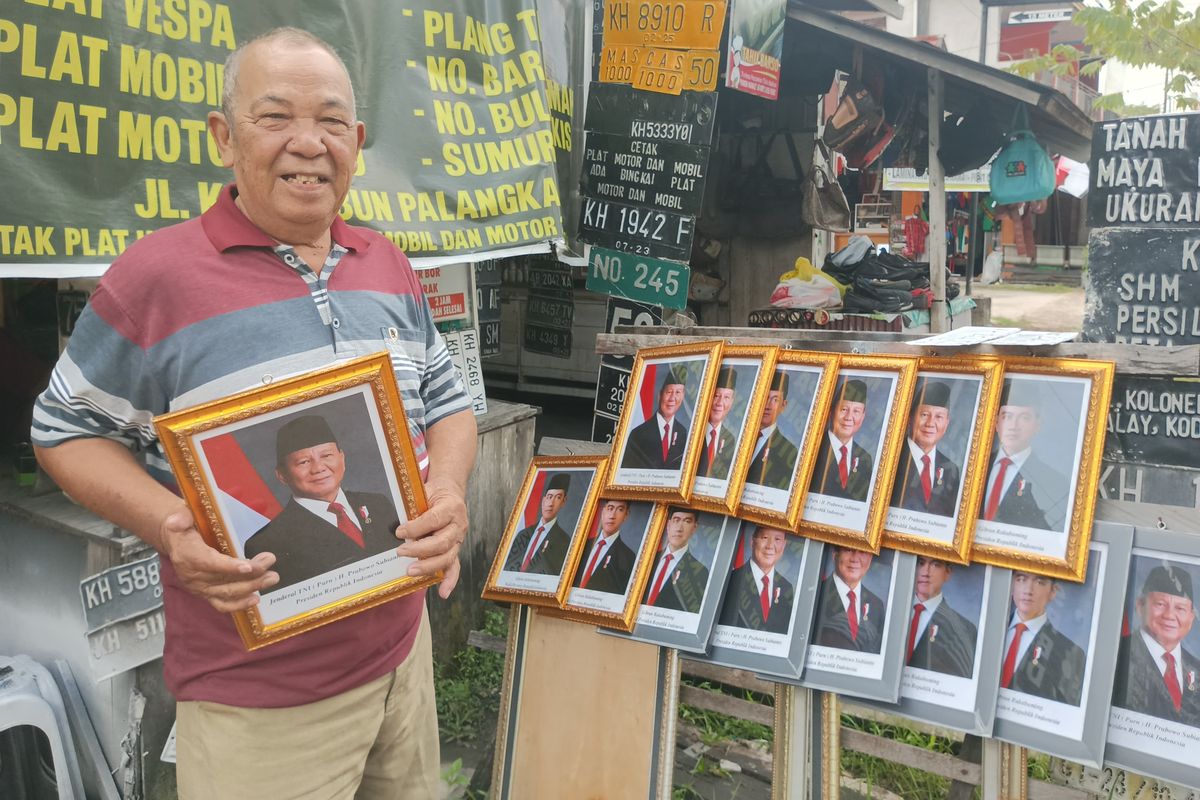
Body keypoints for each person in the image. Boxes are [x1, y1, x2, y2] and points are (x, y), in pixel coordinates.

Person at [30, 28, 477, 798]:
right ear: (224, 138)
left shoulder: (389, 263)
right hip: (258, 703)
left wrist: (450, 494)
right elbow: (63, 431)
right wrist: (171, 524)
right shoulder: (157, 278)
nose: (309, 143)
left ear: (358, 143)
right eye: (275, 117)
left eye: (332, 122)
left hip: (403, 661)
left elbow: (447, 399)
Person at [243, 416, 405, 592]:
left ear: (342, 459)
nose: (318, 468)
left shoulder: (378, 504)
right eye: (304, 462)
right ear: (281, 475)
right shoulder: (266, 543)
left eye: (326, 455)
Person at [1112, 564, 1200, 726]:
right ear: (1140, 606)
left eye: (1180, 608)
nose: (1169, 616)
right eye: (1160, 604)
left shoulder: (1197, 668)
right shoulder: (1116, 655)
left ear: (1191, 619)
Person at [980, 381, 1070, 532]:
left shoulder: (1054, 482)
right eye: (1007, 416)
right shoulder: (974, 466)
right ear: (996, 423)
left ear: (1038, 425)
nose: (1014, 426)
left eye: (1024, 418)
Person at [999, 572, 1085, 705]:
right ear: (1011, 585)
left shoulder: (1070, 653)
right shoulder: (985, 630)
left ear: (1053, 591)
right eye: (1021, 579)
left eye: (1039, 582)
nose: (1028, 590)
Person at [891, 380, 962, 517]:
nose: (930, 423)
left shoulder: (950, 470)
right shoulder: (892, 457)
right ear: (910, 418)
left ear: (947, 423)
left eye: (939, 417)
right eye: (924, 415)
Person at [906, 557, 978, 678]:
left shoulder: (966, 630)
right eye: (920, 563)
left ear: (948, 573)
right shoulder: (889, 609)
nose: (925, 572)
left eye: (935, 565)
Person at [718, 526, 796, 634]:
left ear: (783, 546)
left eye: (777, 539)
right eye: (764, 537)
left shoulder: (786, 587)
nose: (770, 546)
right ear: (752, 542)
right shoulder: (732, 579)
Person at [813, 546, 887, 653]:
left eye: (862, 551)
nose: (854, 559)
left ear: (870, 558)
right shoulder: (817, 593)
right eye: (848, 549)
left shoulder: (876, 604)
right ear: (835, 555)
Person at [810, 378, 874, 502]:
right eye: (844, 409)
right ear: (831, 412)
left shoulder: (865, 458)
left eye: (856, 411)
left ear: (863, 416)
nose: (849, 417)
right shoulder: (813, 447)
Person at [622, 367, 690, 470]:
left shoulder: (682, 433)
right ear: (660, 396)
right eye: (669, 392)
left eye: (678, 392)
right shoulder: (638, 434)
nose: (672, 399)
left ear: (683, 397)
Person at [504, 473, 572, 576]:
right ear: (543, 500)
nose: (551, 503)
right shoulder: (523, 534)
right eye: (549, 497)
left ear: (563, 501)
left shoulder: (564, 542)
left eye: (558, 497)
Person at [645, 508, 710, 613]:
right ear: (668, 525)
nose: (679, 528)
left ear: (694, 528)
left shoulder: (700, 572)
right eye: (676, 520)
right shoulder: (647, 558)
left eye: (687, 521)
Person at [745, 370, 800, 491]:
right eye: (764, 397)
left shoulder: (788, 452)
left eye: (775, 400)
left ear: (783, 406)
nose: (767, 405)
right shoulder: (737, 436)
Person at [573, 499, 638, 595]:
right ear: (603, 511)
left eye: (620, 510)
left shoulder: (629, 558)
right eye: (610, 508)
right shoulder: (582, 544)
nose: (612, 516)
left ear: (626, 515)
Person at [696, 366, 739, 480]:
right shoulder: (693, 430)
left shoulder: (729, 438)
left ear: (732, 402)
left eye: (726, 397)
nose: (719, 403)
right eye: (716, 396)